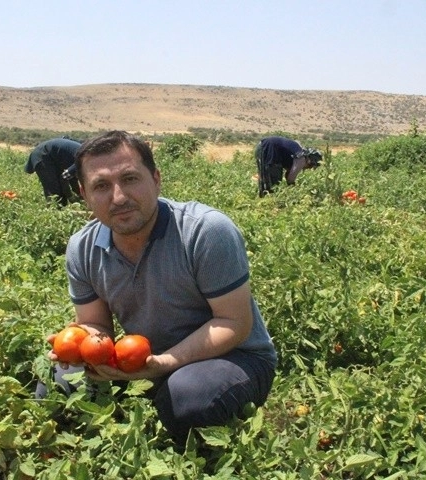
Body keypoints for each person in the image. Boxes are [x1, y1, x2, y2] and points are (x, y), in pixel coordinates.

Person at [43, 130, 277, 445]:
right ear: (84, 194)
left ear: (156, 178)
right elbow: (95, 323)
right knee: (57, 381)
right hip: (146, 361)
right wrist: (82, 345)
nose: (119, 197)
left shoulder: (205, 231)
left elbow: (233, 322)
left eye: (130, 179)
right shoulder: (82, 247)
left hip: (235, 357)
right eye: (101, 186)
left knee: (187, 398)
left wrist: (164, 363)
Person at [255, 136, 322, 197]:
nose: (307, 168)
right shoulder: (301, 158)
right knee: (273, 182)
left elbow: (288, 173)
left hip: (262, 147)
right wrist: (292, 190)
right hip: (269, 148)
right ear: (310, 160)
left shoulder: (295, 154)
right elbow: (290, 178)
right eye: (310, 166)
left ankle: (264, 199)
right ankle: (269, 202)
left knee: (265, 179)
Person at [24, 137, 81, 206]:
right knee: (53, 191)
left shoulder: (86, 158)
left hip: (55, 158)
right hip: (43, 155)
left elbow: (72, 178)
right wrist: (71, 196)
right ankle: (53, 212)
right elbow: (64, 177)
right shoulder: (83, 160)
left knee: (62, 195)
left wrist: (79, 194)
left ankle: (61, 210)